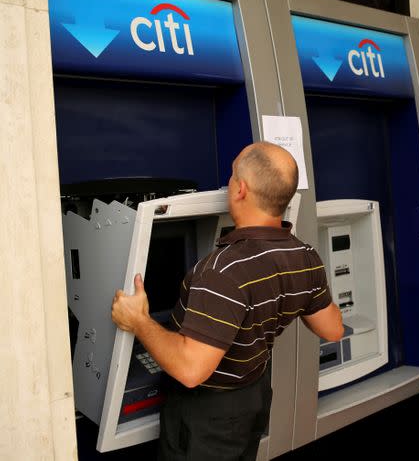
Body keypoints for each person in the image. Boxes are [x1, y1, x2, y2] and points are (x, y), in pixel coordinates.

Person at [112, 142, 344, 461]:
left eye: (232, 175)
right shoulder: (305, 257)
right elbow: (332, 329)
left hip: (209, 416)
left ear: (241, 190)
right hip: (254, 396)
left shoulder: (222, 271)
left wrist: (138, 320)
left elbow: (191, 370)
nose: (229, 181)